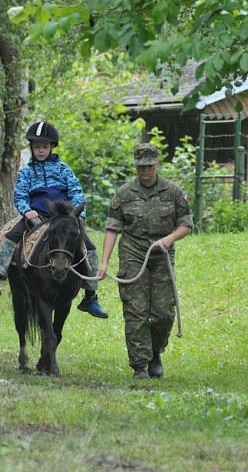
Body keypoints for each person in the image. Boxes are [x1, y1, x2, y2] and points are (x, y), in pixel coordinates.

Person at [0, 120, 109, 319]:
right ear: (31, 147)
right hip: (35, 216)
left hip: (62, 218)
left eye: (44, 147)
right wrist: (26, 210)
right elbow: (19, 194)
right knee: (11, 237)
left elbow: (76, 192)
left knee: (89, 247)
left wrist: (78, 216)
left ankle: (90, 295)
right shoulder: (27, 171)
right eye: (37, 147)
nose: (40, 151)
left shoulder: (63, 169)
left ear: (51, 147)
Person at [96, 142, 193, 380]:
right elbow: (112, 228)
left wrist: (169, 239)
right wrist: (104, 262)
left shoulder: (173, 192)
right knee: (136, 310)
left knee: (163, 313)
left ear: (157, 163)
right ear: (135, 165)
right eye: (141, 166)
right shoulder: (124, 194)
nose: (145, 170)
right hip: (133, 252)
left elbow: (187, 224)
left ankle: (155, 354)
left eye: (149, 165)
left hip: (161, 255)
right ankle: (140, 365)